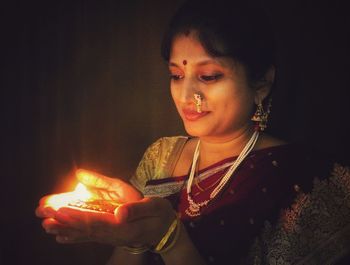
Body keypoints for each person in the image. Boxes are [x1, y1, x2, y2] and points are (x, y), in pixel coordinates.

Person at [36, 0, 350, 264]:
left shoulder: (306, 181)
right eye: (176, 74)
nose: (187, 96)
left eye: (209, 76)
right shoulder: (161, 157)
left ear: (262, 83)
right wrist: (131, 231)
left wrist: (170, 241)